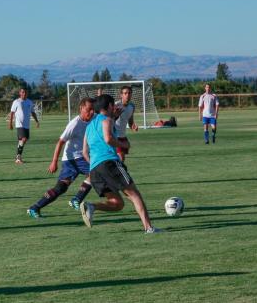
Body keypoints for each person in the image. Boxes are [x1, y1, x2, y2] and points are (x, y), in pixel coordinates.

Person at [79, 94, 160, 234]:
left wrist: (96, 164)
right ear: (110, 106)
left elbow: (84, 152)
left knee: (118, 204)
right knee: (134, 195)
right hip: (109, 163)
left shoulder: (89, 126)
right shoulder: (106, 120)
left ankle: (91, 206)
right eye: (113, 105)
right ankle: (149, 228)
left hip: (94, 170)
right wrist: (123, 144)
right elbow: (108, 138)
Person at [27, 97, 95, 218]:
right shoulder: (74, 124)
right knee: (96, 172)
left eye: (93, 110)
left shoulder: (93, 119)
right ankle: (76, 199)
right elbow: (60, 142)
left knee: (61, 188)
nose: (91, 112)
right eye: (89, 109)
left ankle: (35, 207)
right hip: (72, 159)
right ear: (81, 108)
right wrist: (54, 162)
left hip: (80, 157)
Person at [9, 88, 39, 164]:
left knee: (21, 141)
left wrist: (36, 121)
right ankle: (18, 157)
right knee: (24, 139)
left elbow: (32, 112)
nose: (24, 94)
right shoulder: (16, 102)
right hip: (19, 124)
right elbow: (12, 113)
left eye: (25, 92)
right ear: (20, 93)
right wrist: (10, 123)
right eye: (22, 92)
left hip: (27, 125)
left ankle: (17, 157)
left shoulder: (29, 102)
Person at [114, 86, 138, 161]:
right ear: (121, 95)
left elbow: (130, 121)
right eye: (125, 93)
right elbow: (108, 120)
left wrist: (133, 126)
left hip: (123, 136)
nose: (127, 95)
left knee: (121, 160)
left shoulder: (132, 106)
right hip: (114, 136)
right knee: (121, 158)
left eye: (129, 93)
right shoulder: (116, 105)